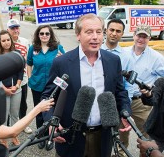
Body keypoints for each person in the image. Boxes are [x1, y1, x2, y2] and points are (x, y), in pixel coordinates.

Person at [41, 13, 132, 157]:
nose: (95, 37)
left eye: (99, 32)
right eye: (89, 32)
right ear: (78, 35)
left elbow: (120, 93)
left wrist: (125, 112)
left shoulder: (113, 61)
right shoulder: (62, 63)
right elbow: (47, 97)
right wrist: (51, 123)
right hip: (70, 137)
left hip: (102, 137)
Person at [119, 24, 164, 156]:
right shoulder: (123, 53)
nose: (141, 39)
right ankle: (121, 153)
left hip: (141, 102)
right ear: (133, 35)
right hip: (124, 98)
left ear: (149, 39)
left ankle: (145, 154)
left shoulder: (156, 57)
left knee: (145, 133)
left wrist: (156, 89)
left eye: (144, 37)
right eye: (139, 35)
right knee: (122, 130)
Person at [26, 25, 65, 149]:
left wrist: (62, 58)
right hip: (37, 86)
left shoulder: (58, 48)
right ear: (38, 35)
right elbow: (29, 64)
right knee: (39, 112)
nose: (44, 36)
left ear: (50, 35)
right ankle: (40, 136)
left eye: (47, 34)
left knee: (53, 112)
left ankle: (51, 136)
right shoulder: (33, 48)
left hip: (53, 87)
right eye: (41, 33)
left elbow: (66, 63)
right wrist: (30, 77)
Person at [0, 30, 24, 147]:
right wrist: (4, 89)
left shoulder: (17, 53)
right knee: (4, 117)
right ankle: (3, 139)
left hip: (16, 89)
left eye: (8, 40)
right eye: (3, 40)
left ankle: (14, 136)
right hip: (2, 91)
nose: (6, 43)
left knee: (15, 115)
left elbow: (21, 71)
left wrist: (17, 85)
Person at [7, 19, 32, 134]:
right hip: (8, 78)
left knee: (23, 103)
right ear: (8, 30)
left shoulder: (25, 41)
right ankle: (9, 125)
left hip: (23, 78)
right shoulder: (6, 41)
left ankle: (23, 124)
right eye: (13, 28)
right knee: (8, 104)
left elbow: (29, 59)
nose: (15, 30)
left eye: (17, 28)